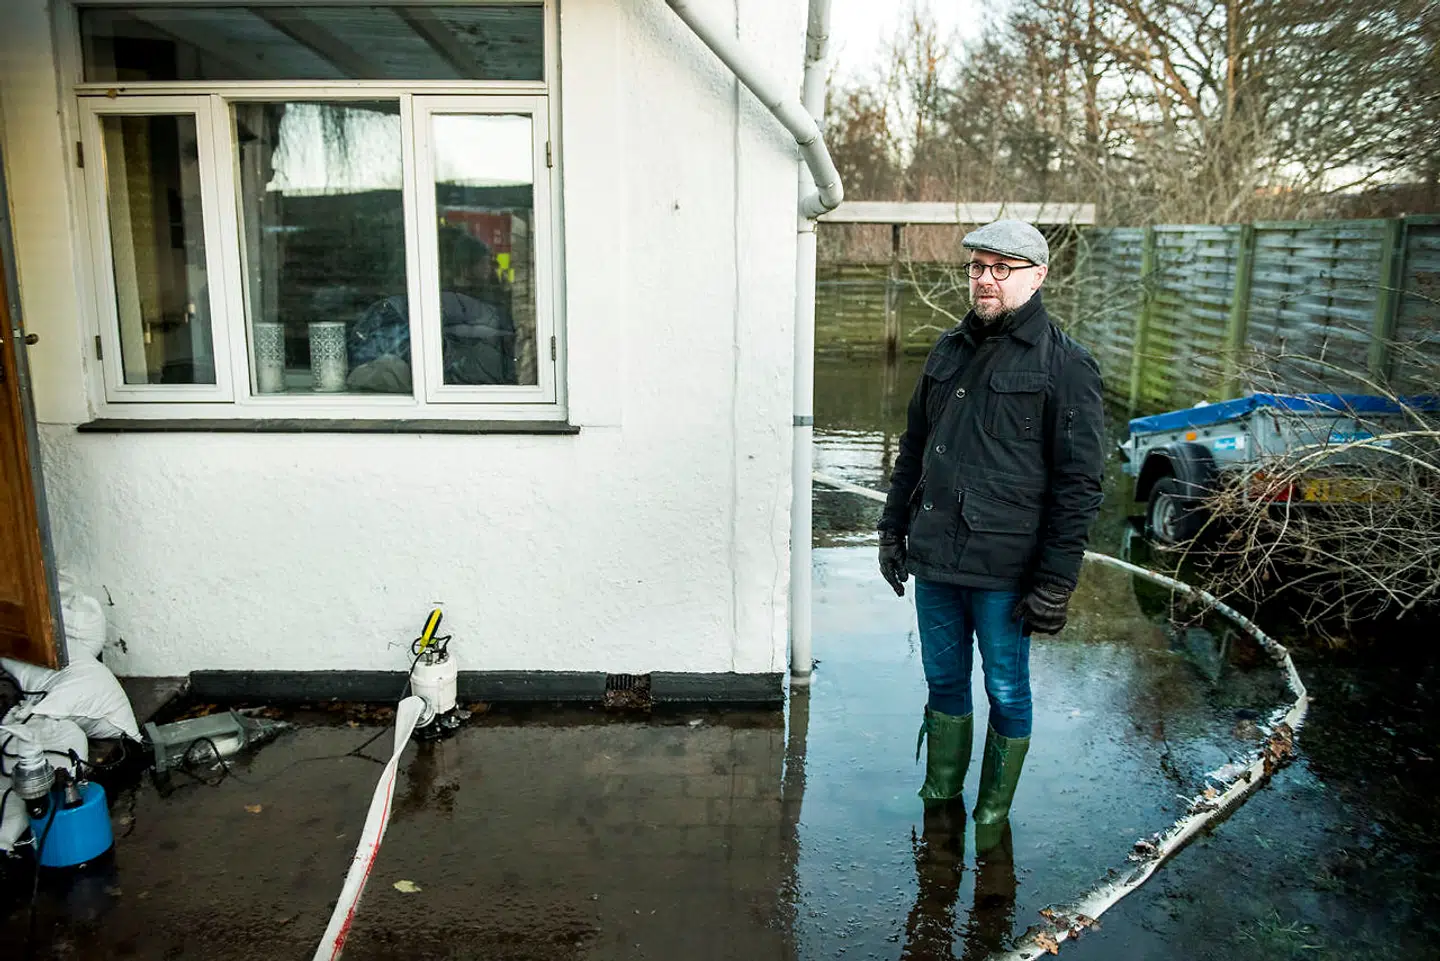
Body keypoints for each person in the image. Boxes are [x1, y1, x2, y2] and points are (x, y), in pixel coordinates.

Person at [877, 219, 1105, 845]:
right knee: (944, 682)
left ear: (1038, 276)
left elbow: (1080, 485)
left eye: (1002, 269)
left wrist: (1056, 581)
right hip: (936, 560)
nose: (985, 279)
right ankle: (941, 796)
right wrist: (892, 529)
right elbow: (915, 449)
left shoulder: (1067, 366)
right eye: (978, 267)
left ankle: (992, 815)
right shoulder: (947, 351)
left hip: (1007, 570)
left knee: (1005, 688)